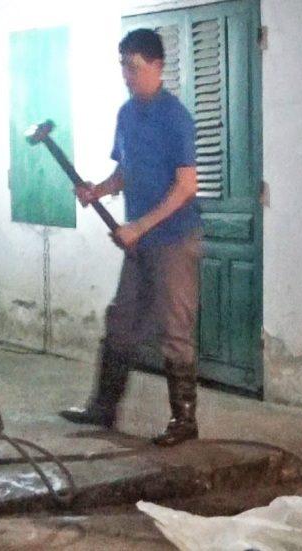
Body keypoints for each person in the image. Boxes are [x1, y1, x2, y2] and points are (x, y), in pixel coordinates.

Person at [59, 28, 203, 447]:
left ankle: (185, 420)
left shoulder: (176, 117)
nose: (127, 74)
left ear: (158, 67)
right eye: (123, 65)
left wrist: (139, 226)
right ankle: (103, 407)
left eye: (135, 67)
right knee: (120, 321)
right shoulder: (126, 114)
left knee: (175, 330)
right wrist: (98, 190)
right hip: (139, 242)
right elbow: (126, 171)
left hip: (174, 240)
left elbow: (185, 186)